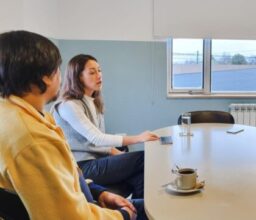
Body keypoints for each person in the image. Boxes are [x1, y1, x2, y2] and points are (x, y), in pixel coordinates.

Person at [0, 30, 140, 219]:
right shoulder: (33, 138)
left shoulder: (19, 115)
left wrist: (98, 191)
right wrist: (122, 216)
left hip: (88, 200)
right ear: (46, 77)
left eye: (99, 70)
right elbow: (69, 216)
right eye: (58, 68)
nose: (99, 75)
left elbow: (68, 176)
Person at [52, 54, 159, 199]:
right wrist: (138, 138)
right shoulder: (68, 105)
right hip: (82, 167)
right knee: (142, 158)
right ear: (78, 77)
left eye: (99, 70)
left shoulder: (93, 101)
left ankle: (137, 210)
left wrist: (119, 155)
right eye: (92, 72)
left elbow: (99, 141)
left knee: (139, 176)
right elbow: (96, 138)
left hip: (97, 160)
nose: (99, 75)